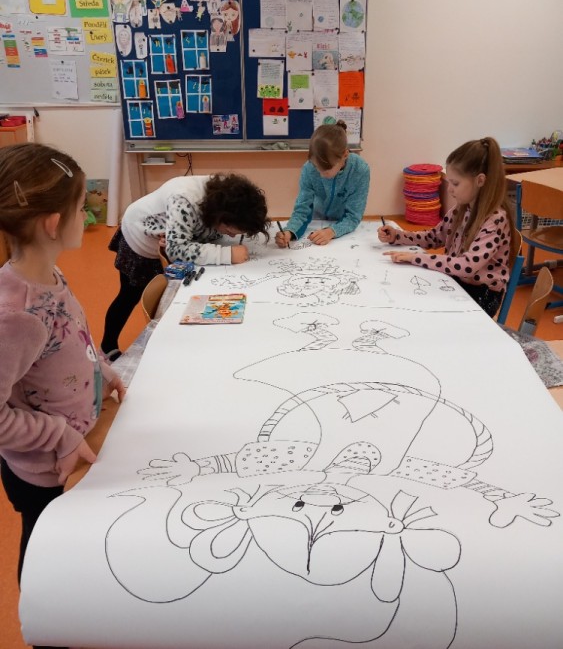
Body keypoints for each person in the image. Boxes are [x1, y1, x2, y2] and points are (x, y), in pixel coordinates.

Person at [0, 144, 125, 632]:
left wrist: (102, 370)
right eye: (82, 207)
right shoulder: (16, 316)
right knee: (44, 554)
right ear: (54, 223)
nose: (87, 215)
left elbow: (73, 335)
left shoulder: (49, 272)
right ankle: (46, 630)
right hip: (45, 468)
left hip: (74, 445)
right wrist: (61, 435)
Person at [101, 173, 269, 359]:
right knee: (129, 295)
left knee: (167, 291)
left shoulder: (224, 199)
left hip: (165, 239)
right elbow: (177, 250)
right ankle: (107, 347)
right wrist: (227, 254)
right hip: (139, 236)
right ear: (222, 216)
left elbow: (194, 234)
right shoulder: (184, 199)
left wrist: (181, 241)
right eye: (230, 231)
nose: (230, 236)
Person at [378, 137, 516, 317]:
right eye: (449, 182)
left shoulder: (495, 220)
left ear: (480, 180)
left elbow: (467, 266)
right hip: (457, 281)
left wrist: (416, 258)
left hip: (482, 295)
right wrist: (398, 236)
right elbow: (433, 237)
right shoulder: (461, 209)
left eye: (455, 183)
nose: (449, 189)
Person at [275, 120, 370, 248]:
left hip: (344, 227)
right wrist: (290, 231)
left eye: (326, 169)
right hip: (316, 221)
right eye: (316, 166)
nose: (320, 173)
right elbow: (302, 209)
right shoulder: (308, 168)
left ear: (345, 154)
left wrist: (332, 231)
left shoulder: (360, 170)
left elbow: (353, 216)